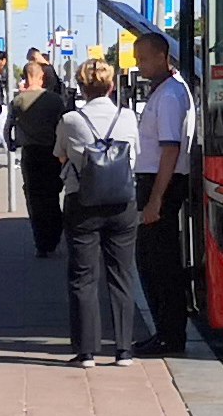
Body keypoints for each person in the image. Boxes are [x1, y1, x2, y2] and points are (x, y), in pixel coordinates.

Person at [54, 60, 140, 367]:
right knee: (122, 274)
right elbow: (135, 154)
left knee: (83, 276)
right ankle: (123, 350)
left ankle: (86, 351)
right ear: (112, 86)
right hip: (122, 204)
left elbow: (60, 154)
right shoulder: (128, 117)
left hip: (82, 202)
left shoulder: (70, 120)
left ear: (81, 87)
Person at [131, 32, 195, 357]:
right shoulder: (165, 91)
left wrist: (156, 198)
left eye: (142, 58)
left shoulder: (170, 95)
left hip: (162, 183)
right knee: (150, 261)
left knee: (159, 264)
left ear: (161, 56)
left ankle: (170, 335)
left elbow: (170, 149)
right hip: (157, 180)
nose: (138, 65)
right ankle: (164, 332)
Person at [6, 62, 66, 257]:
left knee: (34, 196)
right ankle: (55, 234)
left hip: (31, 153)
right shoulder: (55, 100)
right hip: (53, 152)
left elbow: (8, 128)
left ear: (25, 76)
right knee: (52, 194)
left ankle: (41, 242)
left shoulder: (18, 101)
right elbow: (63, 126)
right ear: (42, 77)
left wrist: (11, 144)